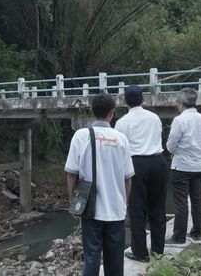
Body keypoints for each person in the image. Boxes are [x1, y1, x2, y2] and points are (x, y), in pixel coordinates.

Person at [65, 93, 134, 276]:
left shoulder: (81, 136)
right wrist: (124, 204)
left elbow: (71, 174)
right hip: (116, 210)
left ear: (92, 112)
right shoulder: (121, 139)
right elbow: (128, 178)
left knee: (91, 257)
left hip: (90, 210)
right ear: (112, 113)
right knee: (115, 259)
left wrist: (73, 202)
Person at [115, 85, 168, 262]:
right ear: (143, 99)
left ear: (124, 101)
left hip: (136, 163)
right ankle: (158, 252)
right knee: (158, 207)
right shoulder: (154, 118)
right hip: (158, 161)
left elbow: (120, 149)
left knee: (137, 209)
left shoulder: (122, 122)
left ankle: (140, 252)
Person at [165, 88, 201, 245]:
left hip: (182, 166)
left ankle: (178, 237)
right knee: (197, 199)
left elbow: (171, 144)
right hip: (199, 165)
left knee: (181, 201)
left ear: (180, 103)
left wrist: (173, 151)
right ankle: (197, 233)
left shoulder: (179, 120)